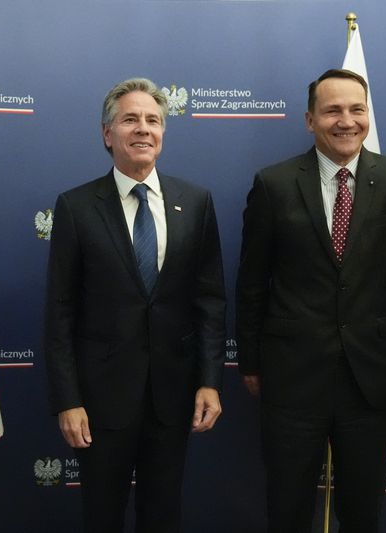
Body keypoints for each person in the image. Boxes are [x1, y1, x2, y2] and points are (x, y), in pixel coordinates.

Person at [236, 69, 386, 533]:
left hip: (371, 379)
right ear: (310, 119)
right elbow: (252, 282)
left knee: (363, 511)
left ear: (368, 115)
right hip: (291, 378)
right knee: (287, 507)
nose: (346, 121)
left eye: (356, 109)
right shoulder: (273, 184)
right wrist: (250, 360)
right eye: (332, 110)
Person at [44, 78, 226, 533]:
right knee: (102, 515)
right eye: (130, 119)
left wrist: (209, 381)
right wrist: (68, 399)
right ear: (108, 134)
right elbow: (60, 311)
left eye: (153, 120)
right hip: (101, 400)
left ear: (163, 132)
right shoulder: (76, 207)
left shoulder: (196, 202)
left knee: (162, 514)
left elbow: (209, 301)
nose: (143, 129)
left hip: (173, 393)